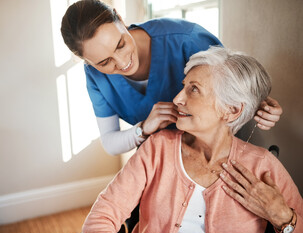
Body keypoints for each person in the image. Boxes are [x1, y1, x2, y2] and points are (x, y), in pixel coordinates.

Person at [81, 46, 302, 233]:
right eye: (184, 85)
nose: (177, 98)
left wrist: (283, 217)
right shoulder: (157, 148)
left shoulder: (262, 164)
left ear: (231, 110)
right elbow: (102, 216)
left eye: (193, 89)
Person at [61, 0, 283, 155]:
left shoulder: (187, 40)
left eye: (120, 44)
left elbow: (234, 86)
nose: (121, 63)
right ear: (87, 62)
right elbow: (109, 142)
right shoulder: (95, 76)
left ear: (120, 18)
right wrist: (144, 128)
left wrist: (257, 105)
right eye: (103, 62)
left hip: (215, 154)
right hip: (160, 160)